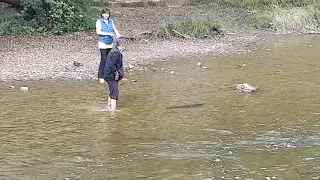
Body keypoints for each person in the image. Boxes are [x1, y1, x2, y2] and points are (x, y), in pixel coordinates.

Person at [96, 8, 121, 84]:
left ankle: (107, 75)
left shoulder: (111, 21)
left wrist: (117, 34)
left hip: (110, 42)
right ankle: (100, 76)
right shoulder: (99, 21)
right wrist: (108, 33)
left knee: (109, 59)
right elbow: (98, 32)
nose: (106, 15)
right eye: (105, 14)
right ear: (102, 14)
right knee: (104, 59)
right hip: (102, 43)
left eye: (107, 14)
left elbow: (114, 28)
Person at [104, 39, 127, 111]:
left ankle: (108, 106)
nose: (125, 48)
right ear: (122, 46)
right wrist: (116, 73)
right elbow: (111, 65)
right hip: (111, 76)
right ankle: (113, 111)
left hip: (108, 75)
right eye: (124, 46)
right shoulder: (116, 53)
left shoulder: (114, 50)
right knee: (115, 94)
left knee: (112, 91)